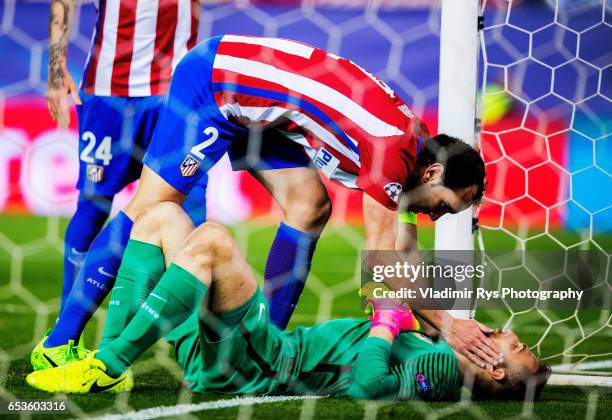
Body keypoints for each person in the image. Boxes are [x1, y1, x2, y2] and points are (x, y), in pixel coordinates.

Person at [36, 33, 497, 369]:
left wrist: (442, 322)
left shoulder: (413, 149)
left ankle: (265, 350)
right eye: (443, 205)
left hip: (265, 111)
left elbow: (405, 255)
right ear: (432, 173)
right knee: (151, 207)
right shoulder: (391, 151)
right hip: (216, 83)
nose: (435, 216)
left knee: (310, 207)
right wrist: (450, 326)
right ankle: (58, 344)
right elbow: (380, 266)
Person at [26, 203, 551, 400]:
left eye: (517, 346)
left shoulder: (443, 370)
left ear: (497, 371)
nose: (508, 333)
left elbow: (370, 384)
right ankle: (112, 363)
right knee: (160, 218)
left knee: (211, 239)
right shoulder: (441, 345)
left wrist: (386, 323)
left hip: (265, 363)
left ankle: (103, 364)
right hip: (252, 351)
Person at [34, 0, 208, 368]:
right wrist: (54, 71)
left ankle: (197, 342)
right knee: (94, 206)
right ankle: (63, 337)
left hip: (174, 95)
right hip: (108, 93)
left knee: (190, 210)